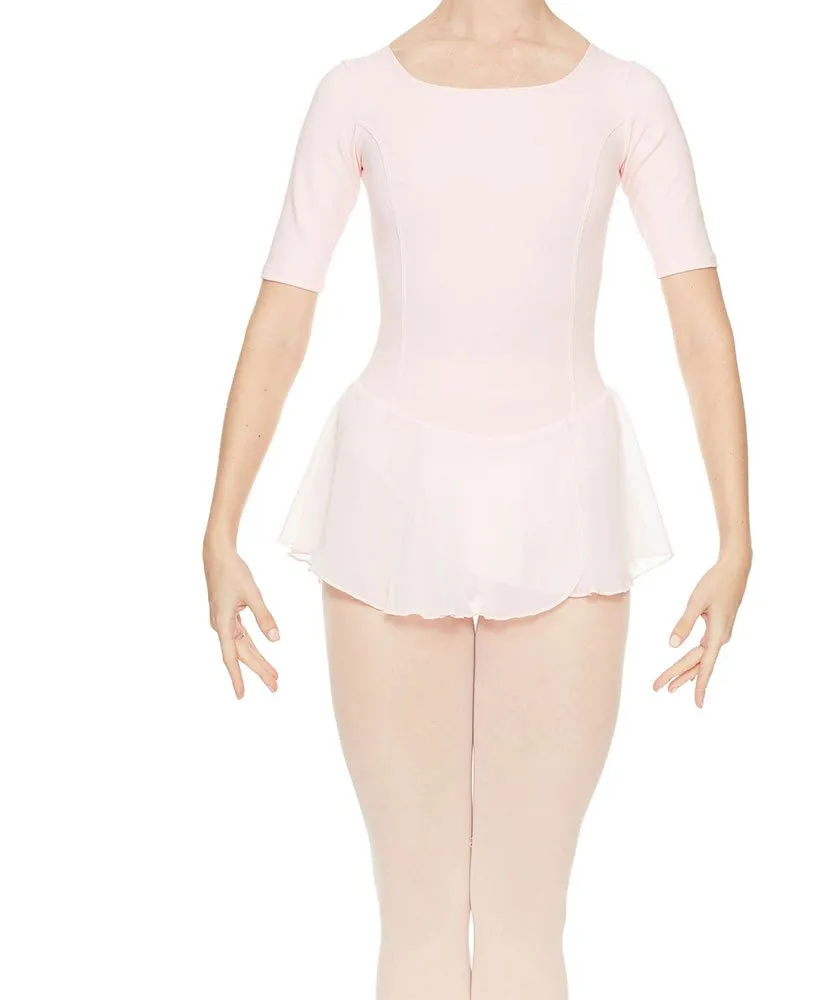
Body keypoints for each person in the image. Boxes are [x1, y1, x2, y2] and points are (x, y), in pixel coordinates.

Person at [203, 2, 751, 997]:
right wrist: (220, 526)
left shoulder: (626, 96)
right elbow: (284, 310)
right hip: (390, 504)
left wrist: (737, 538)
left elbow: (698, 326)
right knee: (415, 920)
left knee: (524, 926)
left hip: (565, 503)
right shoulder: (356, 92)